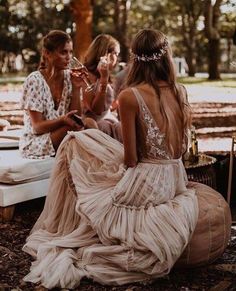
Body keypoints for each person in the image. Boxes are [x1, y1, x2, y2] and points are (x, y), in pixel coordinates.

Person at [22, 29, 231, 288]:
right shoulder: (180, 91)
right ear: (165, 57)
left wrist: (109, 162)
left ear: (135, 59)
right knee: (89, 141)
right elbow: (179, 150)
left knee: (77, 143)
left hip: (146, 182)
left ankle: (62, 222)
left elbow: (131, 160)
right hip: (175, 176)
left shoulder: (130, 95)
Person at [19, 30, 95, 159]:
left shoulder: (69, 77)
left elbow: (76, 116)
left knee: (90, 123)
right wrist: (62, 120)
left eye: (71, 52)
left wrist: (77, 88)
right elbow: (37, 127)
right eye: (63, 52)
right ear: (47, 53)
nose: (69, 57)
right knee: (73, 130)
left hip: (63, 132)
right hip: (37, 141)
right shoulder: (34, 80)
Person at [82, 33, 122, 142]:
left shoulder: (107, 75)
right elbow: (96, 110)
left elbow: (107, 108)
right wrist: (103, 80)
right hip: (93, 124)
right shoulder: (85, 76)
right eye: (116, 54)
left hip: (107, 119)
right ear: (105, 54)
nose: (117, 59)